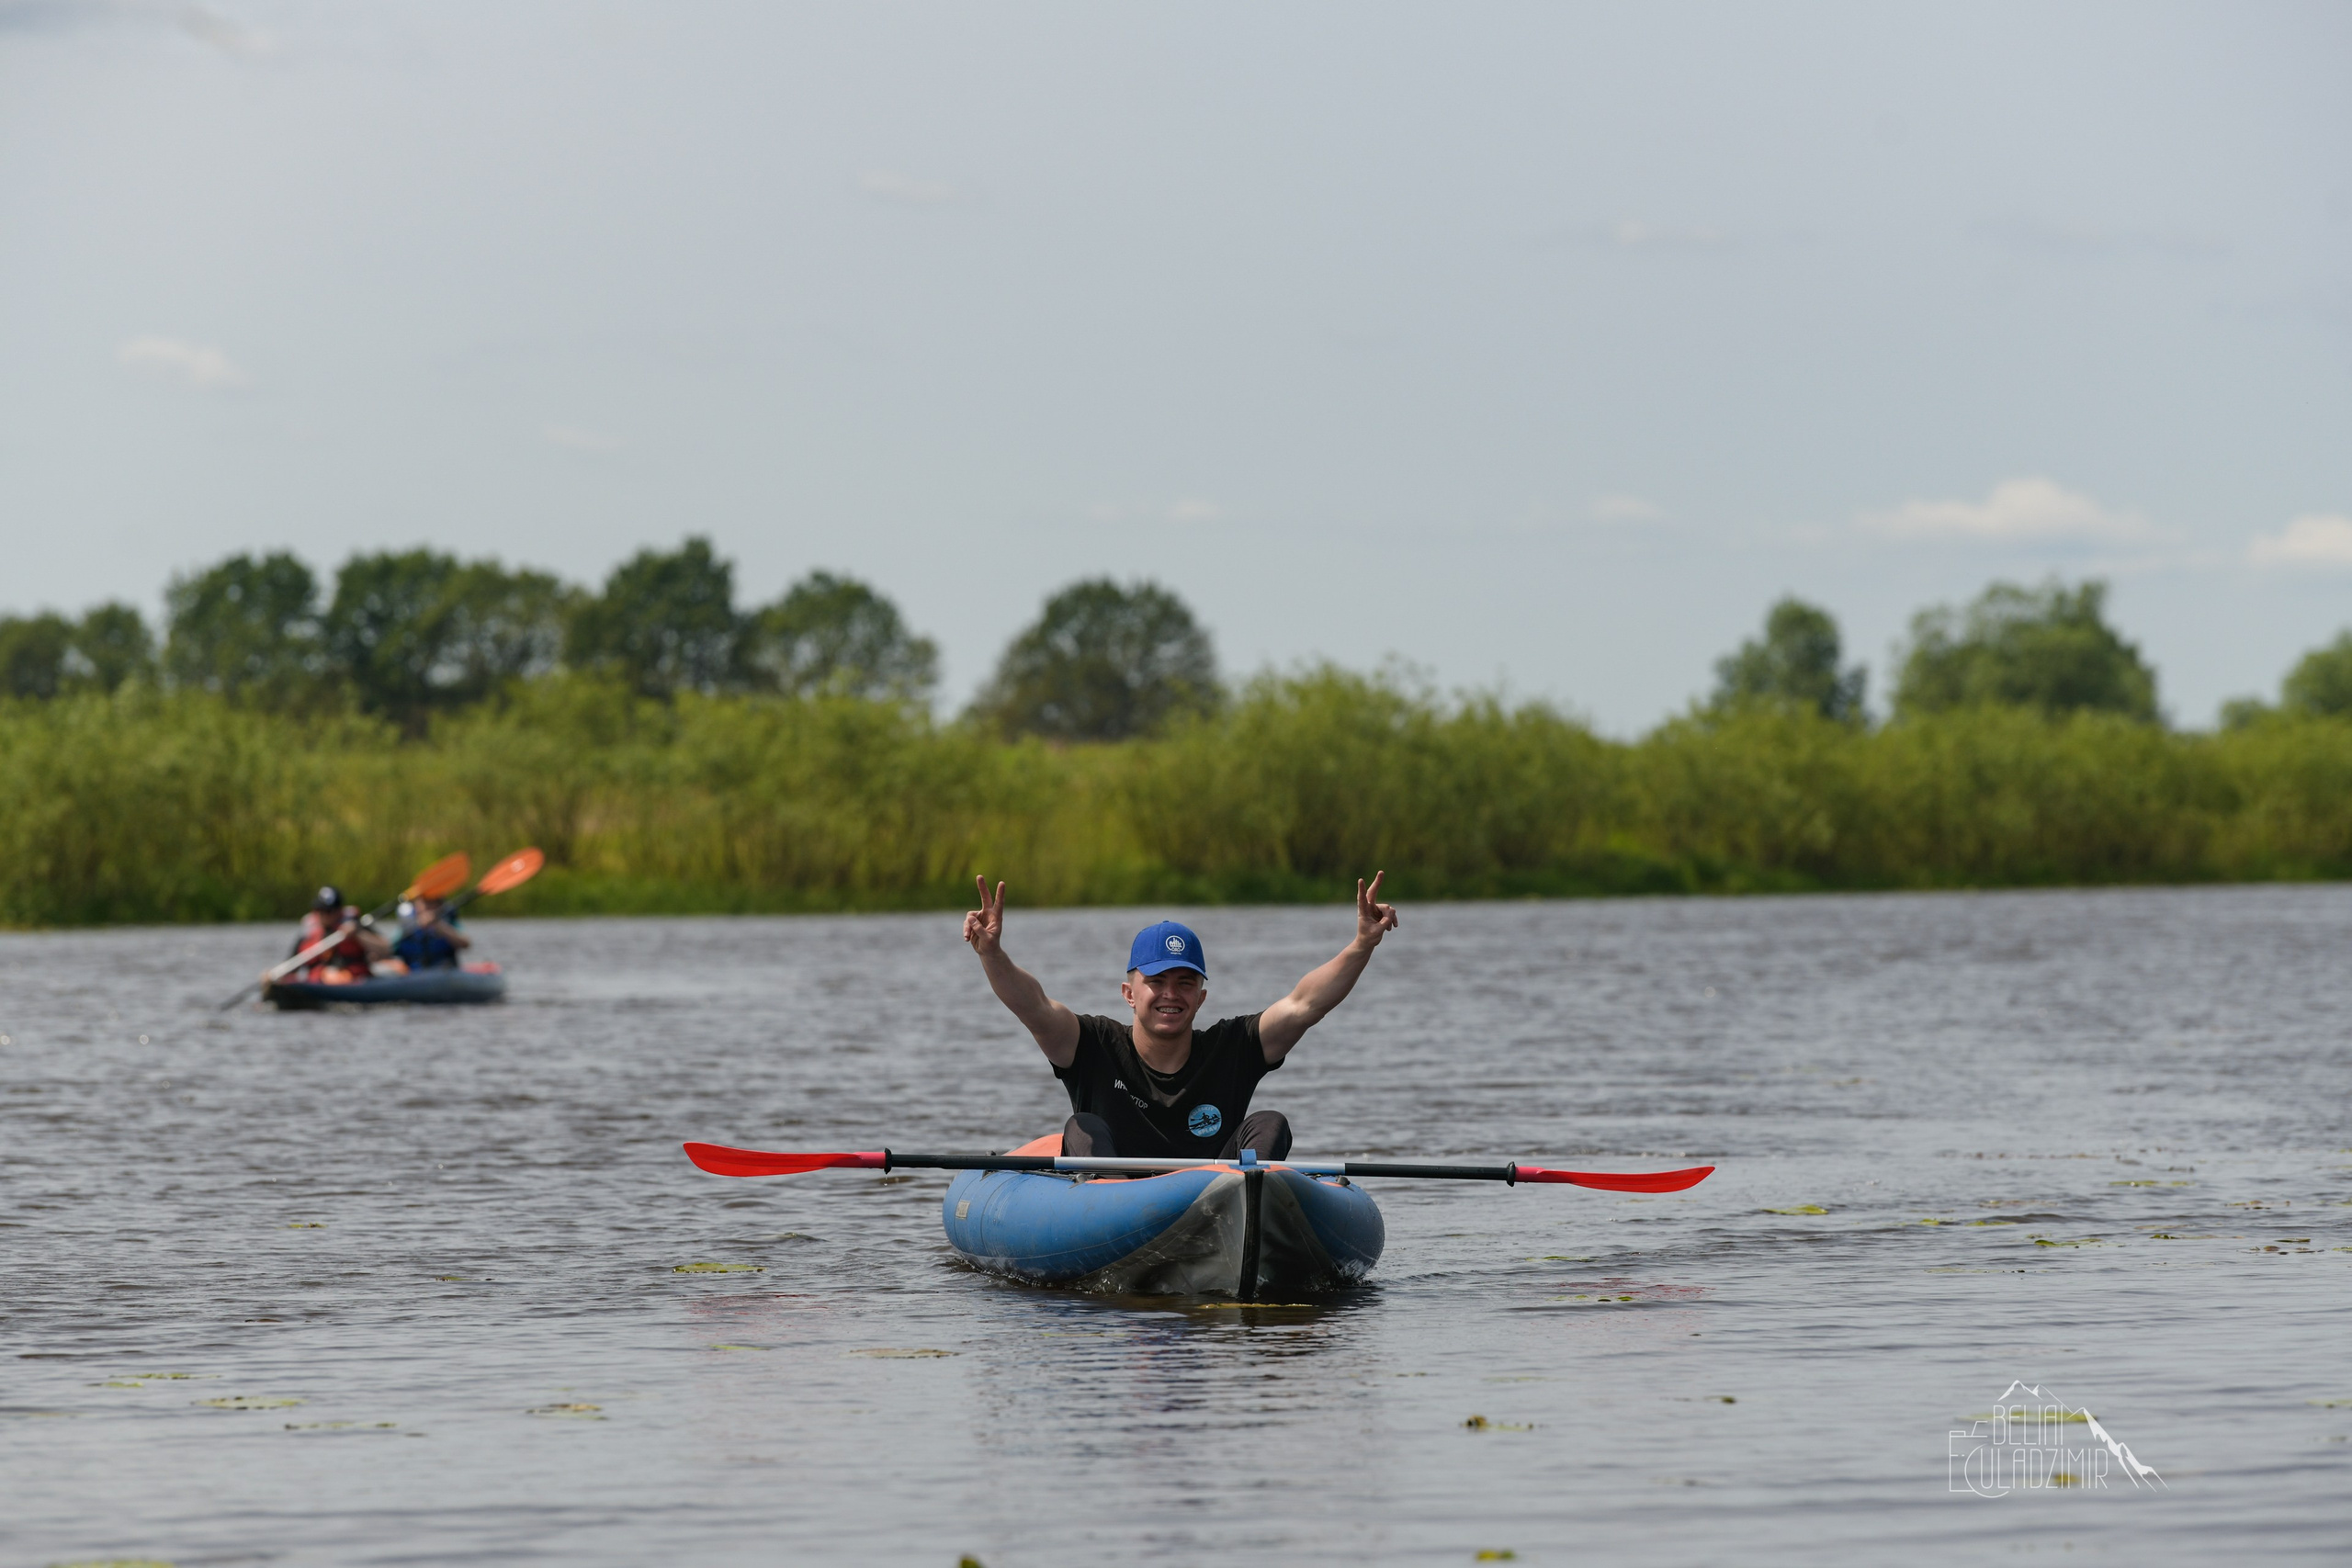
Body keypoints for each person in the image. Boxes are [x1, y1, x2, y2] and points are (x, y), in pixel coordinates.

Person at [962, 872, 1400, 1160]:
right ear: (1128, 994)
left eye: (1185, 983)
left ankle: (1247, 1212)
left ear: (1201, 997)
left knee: (1270, 1124)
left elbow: (1306, 1004)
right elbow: (1032, 1006)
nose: (1171, 995)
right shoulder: (1091, 1043)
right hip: (1112, 1208)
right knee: (1083, 1125)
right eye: (1156, 981)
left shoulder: (1234, 1047)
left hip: (1211, 1199)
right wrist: (991, 953)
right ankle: (1102, 1198)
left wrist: (1362, 945)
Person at [289, 885, 390, 984]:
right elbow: (291, 967)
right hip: (319, 980)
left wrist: (358, 935)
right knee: (326, 974)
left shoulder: (354, 925)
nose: (323, 915)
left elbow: (386, 949)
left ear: (339, 911)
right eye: (319, 910)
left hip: (353, 978)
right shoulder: (309, 932)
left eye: (328, 911)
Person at [390, 894, 471, 971]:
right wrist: (416, 926)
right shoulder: (407, 925)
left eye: (433, 903)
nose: (428, 907)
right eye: (425, 902)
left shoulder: (447, 922)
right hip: (413, 975)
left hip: (444, 972)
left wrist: (439, 926)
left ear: (440, 905)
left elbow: (466, 944)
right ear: (416, 904)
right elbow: (389, 949)